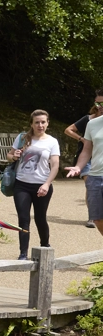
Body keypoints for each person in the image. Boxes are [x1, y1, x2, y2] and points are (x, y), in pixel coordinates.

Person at [6, 110, 59, 260]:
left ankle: (44, 248)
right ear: (31, 124)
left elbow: (55, 165)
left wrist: (47, 184)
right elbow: (9, 156)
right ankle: (23, 253)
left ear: (48, 123)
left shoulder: (52, 141)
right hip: (22, 185)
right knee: (23, 219)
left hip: (42, 185)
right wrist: (13, 156)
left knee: (40, 218)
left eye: (43, 122)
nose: (40, 125)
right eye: (37, 122)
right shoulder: (23, 138)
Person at [66, 92, 103, 238]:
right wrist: (78, 167)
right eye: (98, 104)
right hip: (95, 177)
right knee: (97, 219)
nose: (100, 107)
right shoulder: (92, 124)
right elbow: (87, 151)